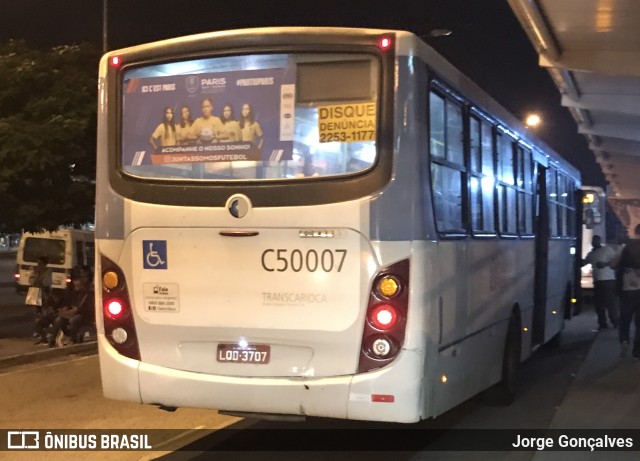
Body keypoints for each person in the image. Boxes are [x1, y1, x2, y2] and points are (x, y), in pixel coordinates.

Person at [609, 224, 640, 358]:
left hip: (628, 289)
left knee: (625, 319)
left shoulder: (625, 247)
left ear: (635, 232)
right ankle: (637, 350)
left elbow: (613, 264)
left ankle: (625, 341)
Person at [47, 266, 95, 347]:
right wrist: (65, 308)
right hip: (71, 313)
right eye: (75, 281)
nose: (76, 283)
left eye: (78, 281)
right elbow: (66, 302)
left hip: (84, 315)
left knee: (74, 320)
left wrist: (77, 310)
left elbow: (88, 308)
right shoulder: (72, 293)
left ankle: (73, 338)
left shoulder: (89, 293)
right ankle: (53, 339)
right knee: (59, 320)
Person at [582, 235, 619, 330]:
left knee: (610, 303)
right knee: (600, 304)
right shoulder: (591, 254)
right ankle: (603, 323)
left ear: (599, 241)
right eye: (594, 241)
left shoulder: (607, 250)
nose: (595, 242)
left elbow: (615, 261)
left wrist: (605, 264)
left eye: (596, 241)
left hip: (608, 280)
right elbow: (583, 263)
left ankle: (614, 321)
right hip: (598, 281)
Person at [28, 257, 53, 343]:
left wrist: (39, 280)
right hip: (34, 293)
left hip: (43, 294)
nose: (39, 265)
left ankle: (45, 332)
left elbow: (46, 283)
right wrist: (36, 276)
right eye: (38, 263)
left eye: (40, 263)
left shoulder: (48, 272)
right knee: (36, 313)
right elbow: (30, 281)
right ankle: (39, 332)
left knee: (44, 314)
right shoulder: (36, 272)